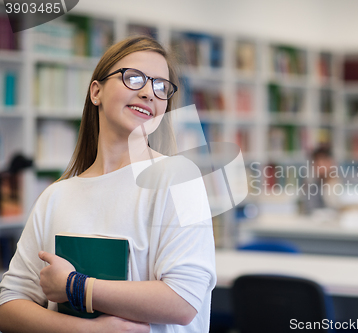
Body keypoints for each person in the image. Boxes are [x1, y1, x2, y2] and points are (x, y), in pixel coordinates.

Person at [0, 36, 216, 333]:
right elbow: (9, 303)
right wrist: (89, 330)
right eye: (134, 78)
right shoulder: (55, 196)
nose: (148, 93)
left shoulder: (178, 177)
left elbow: (183, 301)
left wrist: (76, 287)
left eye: (160, 87)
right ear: (96, 91)